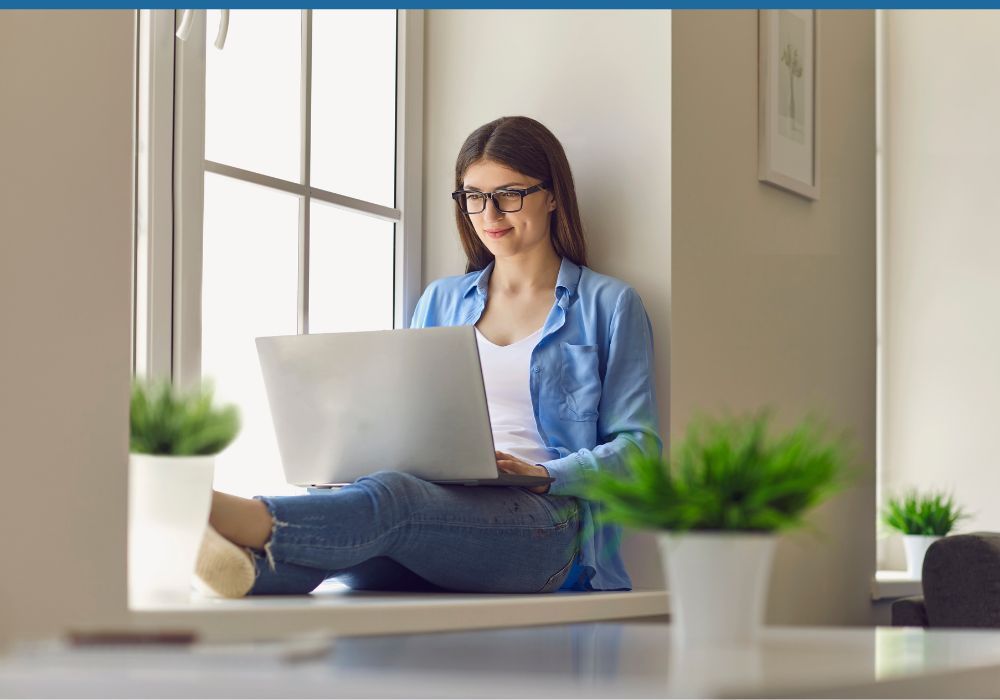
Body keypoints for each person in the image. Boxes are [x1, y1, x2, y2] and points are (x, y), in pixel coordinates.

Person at [195, 116, 661, 598]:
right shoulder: (440, 301)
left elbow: (641, 454)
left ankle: (216, 511)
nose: (490, 215)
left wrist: (543, 475)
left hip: (546, 526)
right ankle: (244, 566)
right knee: (358, 524)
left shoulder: (609, 305)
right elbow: (404, 422)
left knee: (393, 502)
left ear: (552, 195)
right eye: (473, 197)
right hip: (435, 511)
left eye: (509, 194)